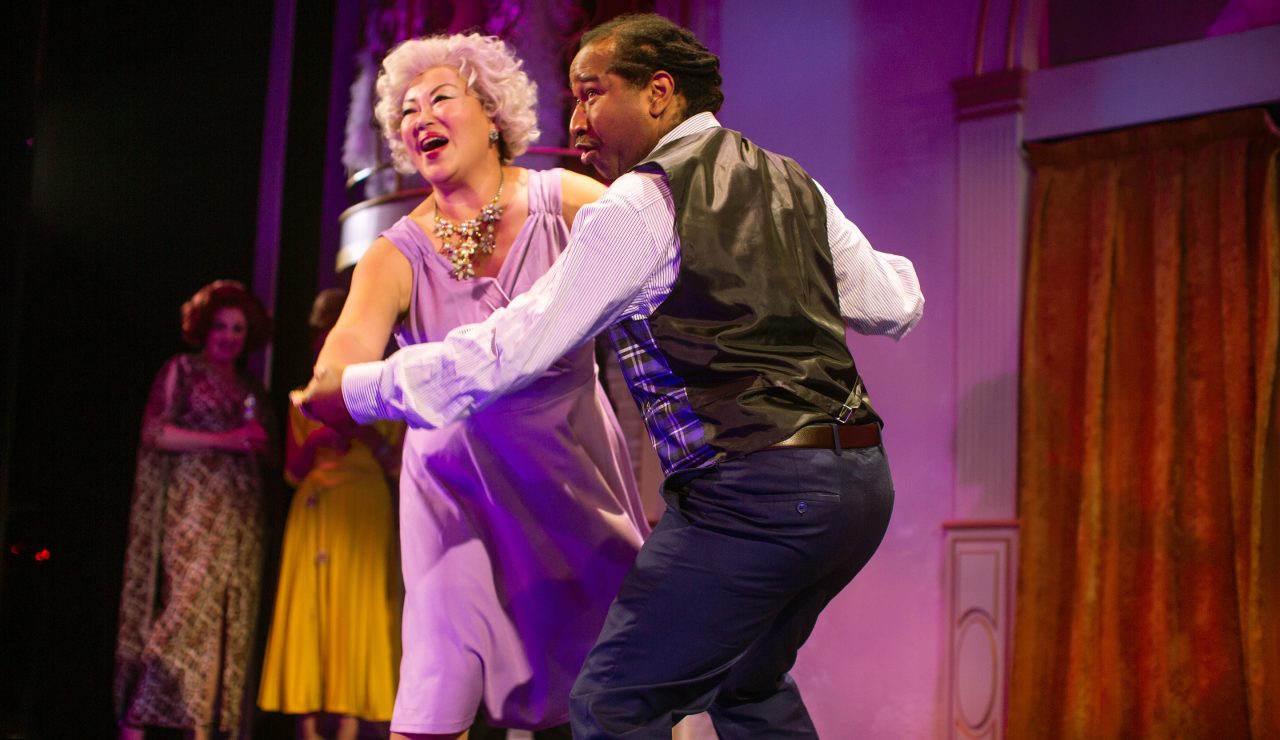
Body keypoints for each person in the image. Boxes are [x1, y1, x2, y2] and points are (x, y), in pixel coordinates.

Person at [296, 14, 925, 737]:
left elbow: (507, 350)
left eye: (593, 94)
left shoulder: (637, 203)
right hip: (856, 484)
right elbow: (896, 300)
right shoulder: (791, 183)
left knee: (612, 703)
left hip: (750, 489)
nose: (579, 118)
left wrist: (361, 389)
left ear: (659, 94)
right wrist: (777, 257)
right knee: (748, 683)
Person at [296, 33, 649, 740]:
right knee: (437, 675)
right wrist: (336, 386)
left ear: (491, 115)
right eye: (405, 110)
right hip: (454, 492)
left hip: (573, 480)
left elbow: (658, 264)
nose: (418, 115)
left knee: (624, 673)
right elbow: (337, 368)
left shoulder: (569, 201)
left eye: (440, 99)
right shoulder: (396, 252)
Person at [114, 280, 275, 740]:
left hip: (239, 517)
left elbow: (267, 452)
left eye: (238, 329)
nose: (228, 336)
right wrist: (223, 440)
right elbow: (155, 433)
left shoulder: (250, 388)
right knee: (185, 610)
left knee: (227, 619)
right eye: (221, 326)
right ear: (205, 328)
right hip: (192, 508)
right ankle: (136, 722)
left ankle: (205, 727)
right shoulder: (182, 370)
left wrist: (257, 445)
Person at [257, 288, 404, 740]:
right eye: (324, 336)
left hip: (365, 509)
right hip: (317, 510)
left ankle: (350, 724)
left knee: (358, 613)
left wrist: (360, 433)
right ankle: (308, 726)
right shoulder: (302, 399)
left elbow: (398, 465)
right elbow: (291, 471)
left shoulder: (385, 392)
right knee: (311, 614)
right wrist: (319, 439)